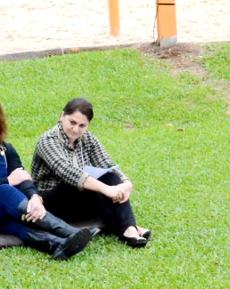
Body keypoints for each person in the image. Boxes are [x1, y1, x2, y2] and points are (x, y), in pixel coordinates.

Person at [0, 93, 96, 260]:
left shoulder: (5, 149)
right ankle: (68, 231)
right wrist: (8, 181)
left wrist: (35, 198)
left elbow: (22, 178)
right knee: (5, 192)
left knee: (16, 221)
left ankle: (57, 245)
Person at [31, 98, 150, 247]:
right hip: (50, 200)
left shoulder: (88, 139)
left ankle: (129, 228)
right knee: (85, 186)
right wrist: (106, 189)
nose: (76, 129)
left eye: (82, 125)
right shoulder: (48, 141)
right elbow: (68, 172)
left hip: (79, 197)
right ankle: (127, 227)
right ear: (62, 116)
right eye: (72, 122)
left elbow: (107, 164)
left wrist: (126, 183)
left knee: (110, 176)